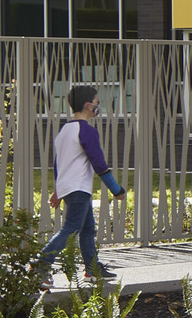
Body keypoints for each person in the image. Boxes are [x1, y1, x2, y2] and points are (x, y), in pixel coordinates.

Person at [32, 84, 126, 287]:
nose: (98, 106)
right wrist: (116, 190)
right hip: (79, 188)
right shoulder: (87, 132)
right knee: (71, 228)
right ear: (87, 106)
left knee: (87, 229)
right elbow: (99, 163)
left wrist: (58, 190)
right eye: (97, 103)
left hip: (69, 187)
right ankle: (40, 266)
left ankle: (92, 270)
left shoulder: (64, 130)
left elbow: (59, 163)